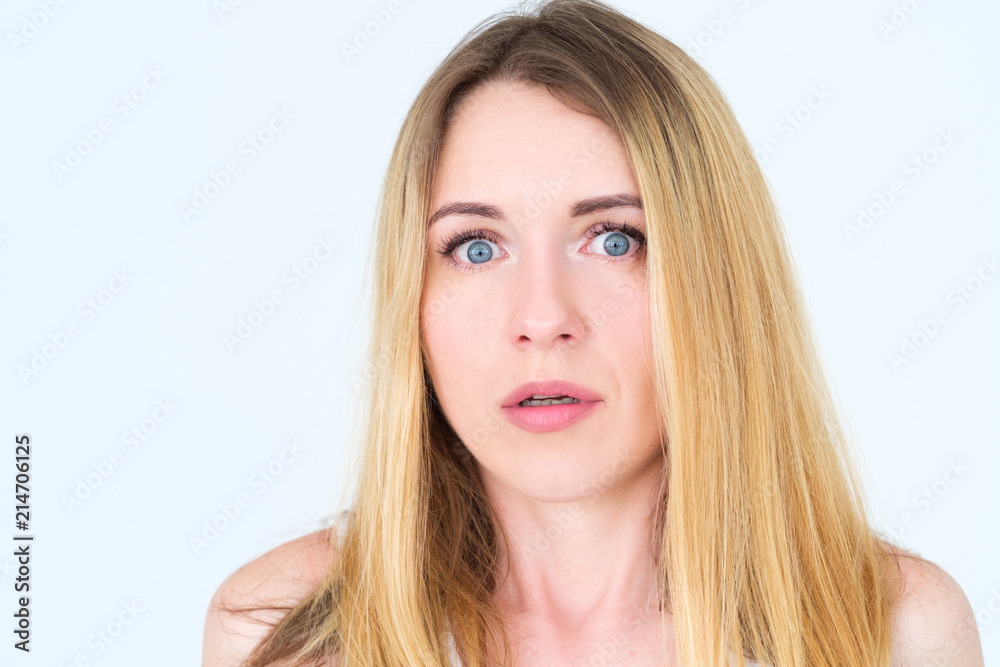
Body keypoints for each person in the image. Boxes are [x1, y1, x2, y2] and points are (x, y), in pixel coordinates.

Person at [202, 1, 985, 665]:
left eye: (614, 238)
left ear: (715, 280)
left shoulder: (893, 630)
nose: (543, 317)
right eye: (476, 247)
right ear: (413, 300)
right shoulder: (284, 630)